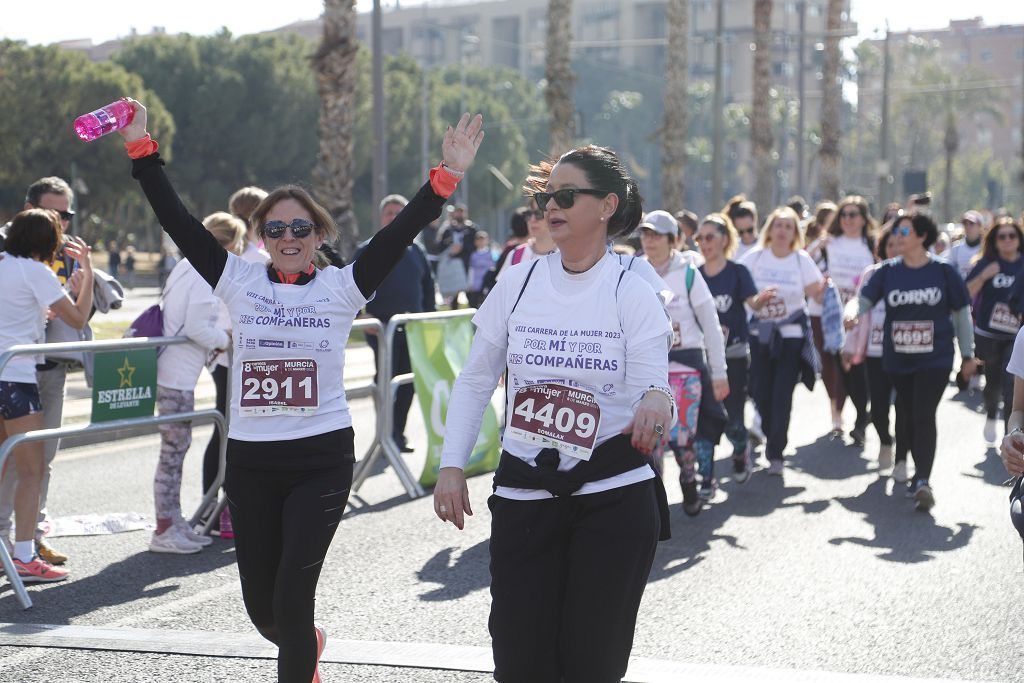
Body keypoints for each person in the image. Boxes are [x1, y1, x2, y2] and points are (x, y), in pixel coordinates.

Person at [119, 97, 483, 682]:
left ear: (318, 235)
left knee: (292, 600)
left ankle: (299, 653)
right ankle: (306, 643)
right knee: (264, 612)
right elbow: (177, 221)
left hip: (320, 457)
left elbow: (403, 231)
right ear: (262, 236)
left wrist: (447, 176)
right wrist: (143, 149)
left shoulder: (343, 285)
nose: (289, 236)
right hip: (252, 462)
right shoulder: (235, 277)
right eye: (276, 228)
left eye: (300, 227)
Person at [434, 144, 673, 683]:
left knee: (591, 664)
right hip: (525, 494)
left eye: (566, 196)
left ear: (607, 205)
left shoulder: (630, 287)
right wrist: (452, 466)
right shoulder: (518, 281)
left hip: (612, 496)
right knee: (520, 663)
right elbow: (475, 378)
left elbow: (653, 379)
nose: (549, 207)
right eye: (546, 196)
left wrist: (658, 400)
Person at [849, 213, 976, 512]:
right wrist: (852, 313)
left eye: (905, 230)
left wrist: (967, 355)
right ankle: (910, 467)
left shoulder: (943, 271)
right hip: (898, 360)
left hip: (936, 358)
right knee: (905, 411)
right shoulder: (888, 272)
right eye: (897, 231)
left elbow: (961, 314)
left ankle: (922, 481)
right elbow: (862, 298)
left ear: (922, 236)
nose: (899, 236)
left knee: (922, 413)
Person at [0, 209, 93, 582]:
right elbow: (78, 319)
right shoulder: (36, 270)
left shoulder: (3, 263)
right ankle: (24, 555)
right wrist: (84, 277)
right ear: (49, 242)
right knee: (31, 470)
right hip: (17, 378)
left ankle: (11, 551)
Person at [151, 213, 239, 554]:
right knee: (173, 453)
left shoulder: (186, 266)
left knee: (176, 450)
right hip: (177, 375)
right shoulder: (205, 272)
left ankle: (173, 521)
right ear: (226, 246)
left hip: (175, 372)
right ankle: (164, 527)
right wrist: (225, 338)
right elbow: (196, 328)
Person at [640, 210, 728, 514]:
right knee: (651, 441)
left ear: (673, 239)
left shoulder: (689, 273)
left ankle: (689, 480)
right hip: (649, 369)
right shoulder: (636, 271)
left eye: (657, 235)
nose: (649, 241)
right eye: (645, 234)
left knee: (678, 436)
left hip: (687, 367)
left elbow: (711, 326)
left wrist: (719, 373)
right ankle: (655, 503)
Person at [739, 207, 824, 475]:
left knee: (782, 395)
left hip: (791, 338)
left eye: (789, 226)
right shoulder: (755, 258)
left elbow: (817, 295)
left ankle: (776, 452)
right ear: (770, 229)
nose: (783, 230)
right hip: (760, 335)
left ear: (795, 232)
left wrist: (827, 289)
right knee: (759, 391)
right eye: (778, 225)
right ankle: (766, 431)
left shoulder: (802, 260)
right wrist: (757, 301)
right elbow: (743, 293)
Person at [355, 193, 437, 455]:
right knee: (385, 382)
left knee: (407, 384)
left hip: (412, 329)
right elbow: (347, 284)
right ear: (381, 217)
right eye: (389, 213)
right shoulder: (368, 248)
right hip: (381, 331)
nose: (394, 217)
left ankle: (397, 436)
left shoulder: (418, 251)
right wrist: (360, 315)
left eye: (399, 212)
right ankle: (383, 437)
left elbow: (427, 288)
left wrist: (429, 319)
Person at [697, 213, 765, 483]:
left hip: (733, 358)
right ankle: (705, 477)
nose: (704, 242)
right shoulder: (695, 276)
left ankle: (740, 450)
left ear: (725, 240)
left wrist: (762, 302)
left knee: (732, 419)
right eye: (699, 238)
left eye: (710, 237)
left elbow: (753, 303)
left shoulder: (738, 272)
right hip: (701, 360)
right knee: (705, 421)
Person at [813, 196, 877, 442]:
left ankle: (861, 418)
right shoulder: (829, 243)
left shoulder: (870, 243)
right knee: (838, 368)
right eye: (844, 215)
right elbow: (805, 260)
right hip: (830, 315)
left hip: (861, 315)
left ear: (863, 218)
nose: (848, 219)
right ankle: (845, 414)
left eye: (853, 215)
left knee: (858, 369)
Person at [845, 222, 903, 474]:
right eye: (890, 245)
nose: (895, 250)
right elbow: (858, 305)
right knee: (878, 410)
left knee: (905, 409)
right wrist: (849, 344)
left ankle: (902, 458)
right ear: (881, 248)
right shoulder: (872, 274)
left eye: (900, 245)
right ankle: (886, 442)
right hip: (875, 352)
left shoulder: (916, 275)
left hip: (906, 355)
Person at [967, 217, 1024, 445]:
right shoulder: (986, 263)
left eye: (1012, 235)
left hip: (1016, 336)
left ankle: (1009, 434)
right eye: (1002, 236)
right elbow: (965, 293)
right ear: (995, 241)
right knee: (992, 382)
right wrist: (984, 276)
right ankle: (990, 413)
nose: (1008, 240)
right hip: (989, 334)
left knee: (1011, 383)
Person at [497, 199, 557, 276]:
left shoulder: (568, 257)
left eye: (539, 213)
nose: (532, 219)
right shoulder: (516, 255)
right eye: (528, 214)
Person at [436, 202, 476, 308]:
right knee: (454, 294)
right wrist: (451, 250)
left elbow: (475, 245)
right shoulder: (448, 229)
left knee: (470, 293)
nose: (460, 215)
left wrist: (462, 248)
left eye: (462, 212)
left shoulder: (471, 229)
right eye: (458, 212)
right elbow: (440, 246)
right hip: (453, 265)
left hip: (467, 263)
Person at [949, 210, 985, 280]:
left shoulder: (986, 248)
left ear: (980, 226)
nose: (967, 226)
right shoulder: (956, 249)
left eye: (971, 223)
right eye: (965, 223)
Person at [724, 195, 759, 261]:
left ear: (755, 221)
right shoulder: (732, 250)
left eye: (750, 230)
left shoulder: (765, 247)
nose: (746, 235)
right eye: (741, 232)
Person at [467, 230, 494, 308]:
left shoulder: (491, 254)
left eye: (483, 240)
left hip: (487, 283)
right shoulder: (474, 255)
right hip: (476, 284)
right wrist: (470, 283)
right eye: (479, 240)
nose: (481, 242)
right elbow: (471, 269)